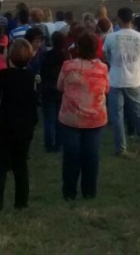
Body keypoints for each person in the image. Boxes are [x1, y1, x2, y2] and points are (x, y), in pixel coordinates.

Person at [0, 39, 39, 216]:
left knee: (0, 166)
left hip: (6, 123)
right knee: (21, 164)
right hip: (25, 124)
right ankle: (21, 202)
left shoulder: (3, 75)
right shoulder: (30, 76)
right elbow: (33, 100)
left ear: (11, 56)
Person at [58, 31, 109, 200]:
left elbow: (60, 86)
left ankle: (69, 192)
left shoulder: (68, 66)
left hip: (71, 119)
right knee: (91, 157)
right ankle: (89, 192)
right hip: (95, 119)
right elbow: (106, 89)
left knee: (71, 158)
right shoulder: (102, 68)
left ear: (78, 47)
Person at [102, 7, 140, 156]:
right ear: (132, 20)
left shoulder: (111, 37)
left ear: (119, 19)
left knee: (117, 116)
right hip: (134, 78)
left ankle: (121, 148)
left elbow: (106, 55)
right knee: (139, 113)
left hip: (116, 79)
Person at [40, 32, 68, 152]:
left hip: (47, 89)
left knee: (49, 119)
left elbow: (42, 72)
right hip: (61, 90)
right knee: (60, 119)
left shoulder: (45, 56)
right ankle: (59, 143)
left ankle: (49, 144)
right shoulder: (66, 57)